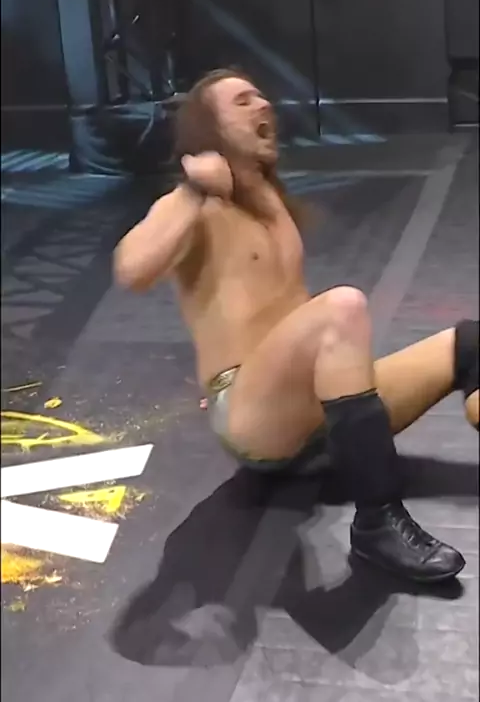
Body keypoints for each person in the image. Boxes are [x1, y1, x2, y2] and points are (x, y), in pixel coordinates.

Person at [114, 69, 479, 584]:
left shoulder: (270, 200)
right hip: (253, 414)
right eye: (242, 102)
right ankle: (377, 522)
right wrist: (193, 190)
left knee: (470, 343)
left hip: (309, 409)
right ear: (209, 129)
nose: (263, 104)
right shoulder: (195, 206)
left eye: (260, 96)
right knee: (342, 307)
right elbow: (131, 270)